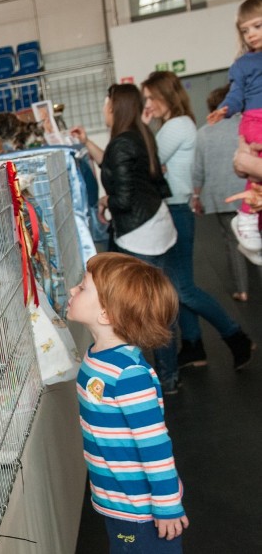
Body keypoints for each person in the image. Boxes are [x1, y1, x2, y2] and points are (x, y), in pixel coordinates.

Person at [68, 252, 188, 553]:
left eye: (82, 287)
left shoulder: (129, 375)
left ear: (107, 315)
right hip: (117, 501)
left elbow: (155, 446)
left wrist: (167, 505)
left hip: (141, 511)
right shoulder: (97, 355)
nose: (72, 290)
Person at [141, 71, 254, 373]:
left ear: (165, 94)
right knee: (179, 287)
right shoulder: (174, 125)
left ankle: (235, 335)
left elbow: (149, 163)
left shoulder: (176, 125)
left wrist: (145, 126)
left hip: (177, 210)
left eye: (151, 96)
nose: (148, 103)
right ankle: (193, 345)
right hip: (175, 208)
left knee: (183, 288)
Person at [70, 84, 179, 392]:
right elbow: (116, 168)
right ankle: (169, 373)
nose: (104, 109)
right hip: (155, 222)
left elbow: (124, 196)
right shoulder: (137, 135)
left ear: (115, 109)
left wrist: (104, 204)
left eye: (106, 104)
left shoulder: (122, 142)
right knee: (159, 301)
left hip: (139, 231)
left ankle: (156, 377)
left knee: (145, 309)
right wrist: (86, 141)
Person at [206, 0, 262, 255]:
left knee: (254, 171)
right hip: (254, 120)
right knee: (252, 171)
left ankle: (249, 216)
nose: (251, 34)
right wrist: (225, 109)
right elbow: (236, 93)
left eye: (257, 27)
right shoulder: (243, 64)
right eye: (245, 30)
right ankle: (249, 216)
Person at [195, 85, 262, 298]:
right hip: (249, 191)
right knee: (256, 237)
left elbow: (198, 169)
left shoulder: (203, 133)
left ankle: (242, 290)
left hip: (221, 195)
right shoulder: (245, 126)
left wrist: (196, 195)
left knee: (231, 242)